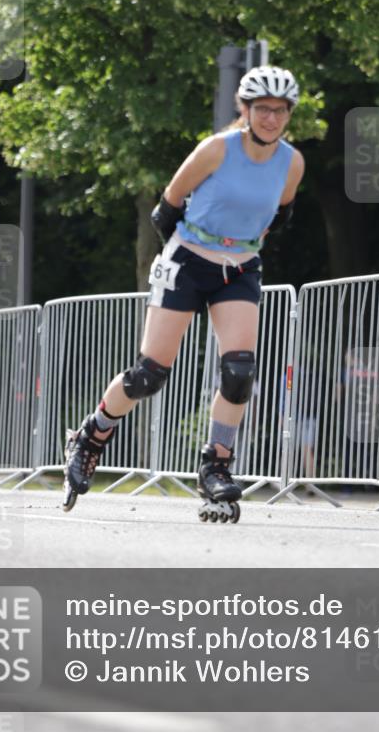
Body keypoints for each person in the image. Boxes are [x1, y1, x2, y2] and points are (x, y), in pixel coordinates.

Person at [63, 65, 305, 520]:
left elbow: (281, 216)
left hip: (239, 268)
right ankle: (91, 436)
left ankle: (216, 466)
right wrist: (183, 260)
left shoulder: (292, 162)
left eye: (281, 110)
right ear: (245, 109)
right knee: (150, 374)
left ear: (289, 113)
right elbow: (166, 208)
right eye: (263, 109)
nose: (272, 118)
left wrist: (239, 248)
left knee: (238, 372)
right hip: (187, 261)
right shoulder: (216, 149)